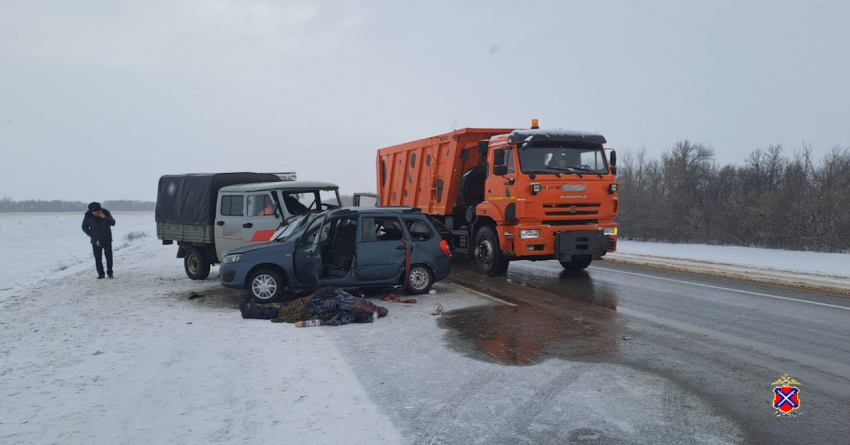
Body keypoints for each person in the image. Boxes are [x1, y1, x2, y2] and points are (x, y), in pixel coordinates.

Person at [239, 287, 389, 325]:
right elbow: (341, 294)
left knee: (285, 313)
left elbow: (335, 321)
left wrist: (333, 309)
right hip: (316, 302)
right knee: (289, 307)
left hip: (315, 310)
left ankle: (252, 313)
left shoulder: (353, 315)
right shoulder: (356, 303)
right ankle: (256, 309)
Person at [81, 202, 116, 279]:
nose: (96, 213)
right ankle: (101, 274)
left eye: (98, 211)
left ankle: (110, 272)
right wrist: (91, 235)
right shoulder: (88, 216)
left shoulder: (106, 213)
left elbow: (113, 223)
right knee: (98, 258)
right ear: (91, 211)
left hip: (107, 239)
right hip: (95, 240)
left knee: (109, 257)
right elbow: (84, 227)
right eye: (94, 212)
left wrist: (104, 217)